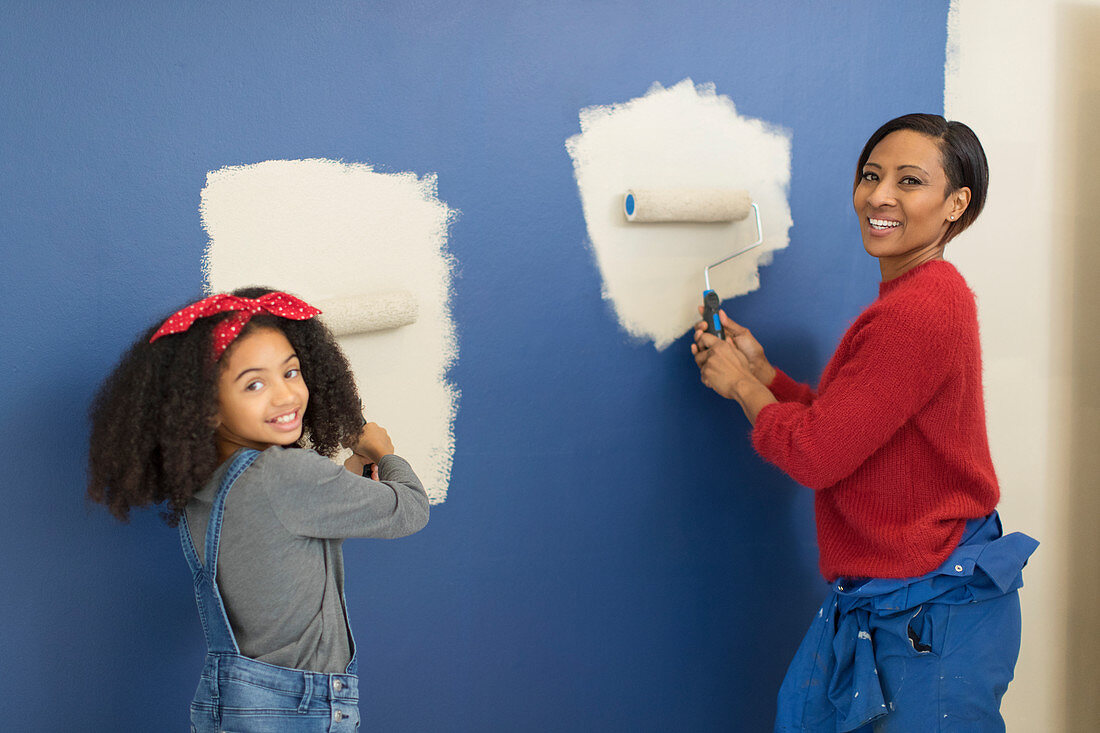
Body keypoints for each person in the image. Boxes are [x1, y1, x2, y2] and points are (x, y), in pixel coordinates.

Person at [691, 114, 1037, 732]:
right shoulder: (918, 295)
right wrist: (766, 376)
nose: (880, 196)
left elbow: (820, 454)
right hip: (902, 597)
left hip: (932, 612)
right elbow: (858, 429)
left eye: (909, 181)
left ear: (955, 204)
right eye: (871, 176)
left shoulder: (921, 308)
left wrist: (739, 385)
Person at [87, 286, 429, 732]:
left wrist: (351, 470)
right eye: (254, 383)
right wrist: (384, 452)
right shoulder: (286, 475)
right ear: (205, 408)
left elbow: (297, 533)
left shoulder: (208, 477)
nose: (286, 396)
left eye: (291, 372)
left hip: (235, 701)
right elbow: (411, 510)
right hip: (300, 705)